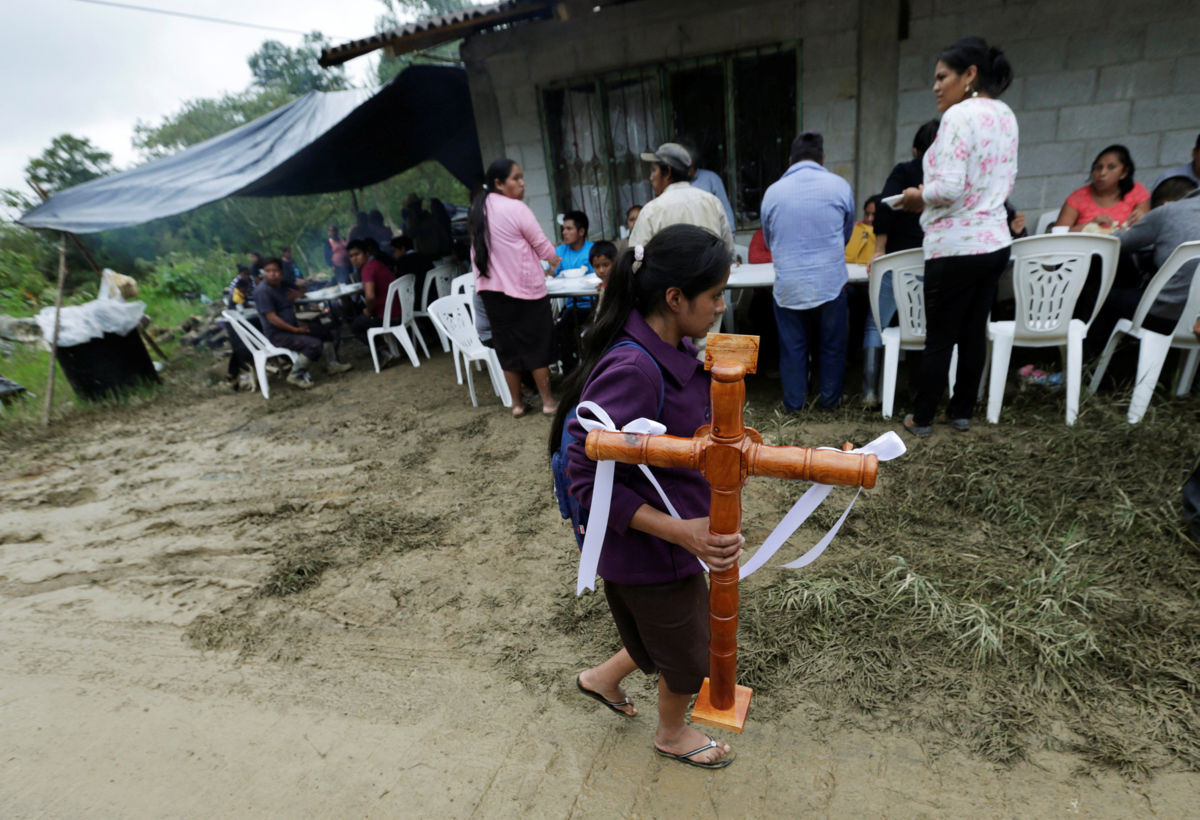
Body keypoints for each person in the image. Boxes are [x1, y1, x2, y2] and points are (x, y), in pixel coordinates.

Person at [551, 224, 741, 770]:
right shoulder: (635, 368)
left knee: (650, 634)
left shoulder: (674, 347)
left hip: (659, 539)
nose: (721, 307)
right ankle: (671, 733)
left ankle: (600, 680)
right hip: (648, 548)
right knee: (690, 653)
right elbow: (583, 479)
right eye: (714, 296)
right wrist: (683, 531)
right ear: (675, 298)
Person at [899, 35, 1018, 436]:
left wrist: (916, 196)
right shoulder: (1005, 115)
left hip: (955, 246)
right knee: (972, 331)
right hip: (995, 242)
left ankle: (923, 417)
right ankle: (962, 411)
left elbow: (948, 188)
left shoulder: (958, 117)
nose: (935, 86)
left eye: (942, 76)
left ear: (970, 75)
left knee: (940, 338)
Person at [761, 131, 855, 411]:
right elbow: (846, 234)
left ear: (790, 160)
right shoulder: (840, 186)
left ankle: (794, 405)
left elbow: (769, 240)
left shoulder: (773, 192)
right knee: (832, 347)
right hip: (830, 284)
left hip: (789, 286)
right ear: (822, 159)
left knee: (793, 349)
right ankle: (829, 401)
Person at [469, 158, 563, 417]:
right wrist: (554, 259)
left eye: (522, 177)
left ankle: (517, 405)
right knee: (537, 346)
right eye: (516, 178)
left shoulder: (479, 209)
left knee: (507, 349)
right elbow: (541, 244)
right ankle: (547, 401)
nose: (522, 183)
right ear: (499, 183)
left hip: (491, 291)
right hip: (523, 290)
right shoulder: (516, 208)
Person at [1088, 177, 1200, 359]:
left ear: (1165, 203)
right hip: (1196, 318)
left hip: (1167, 315)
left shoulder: (1169, 211)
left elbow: (1114, 245)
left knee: (1100, 299)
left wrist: (1138, 226)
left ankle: (1088, 371)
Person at [251, 258, 352, 389]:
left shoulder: (283, 284)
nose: (272, 274)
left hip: (292, 328)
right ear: (264, 273)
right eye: (268, 271)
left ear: (281, 272)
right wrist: (295, 330)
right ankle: (295, 375)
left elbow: (304, 289)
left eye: (275, 271)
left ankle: (332, 365)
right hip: (278, 334)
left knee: (324, 332)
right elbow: (272, 318)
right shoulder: (262, 291)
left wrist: (298, 293)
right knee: (314, 344)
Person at [628, 143, 734, 253]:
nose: (651, 177)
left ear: (668, 172)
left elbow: (636, 259)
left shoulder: (650, 211)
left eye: (654, 170)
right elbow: (728, 252)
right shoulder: (712, 202)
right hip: (710, 270)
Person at [1053, 145, 1150, 232]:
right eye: (1098, 167)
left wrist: (1143, 219)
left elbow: (1146, 230)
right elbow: (1057, 236)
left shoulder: (1136, 191)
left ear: (1124, 172)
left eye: (1111, 167)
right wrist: (1089, 226)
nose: (1102, 173)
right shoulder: (1077, 198)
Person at [346, 239, 400, 355]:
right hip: (400, 311)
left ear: (367, 254)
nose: (354, 259)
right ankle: (385, 348)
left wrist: (368, 311)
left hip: (389, 316)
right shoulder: (377, 263)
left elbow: (370, 297)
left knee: (356, 326)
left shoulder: (368, 269)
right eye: (351, 256)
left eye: (357, 254)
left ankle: (382, 352)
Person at [679, 137, 737, 232]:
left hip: (710, 238)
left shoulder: (711, 179)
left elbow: (725, 212)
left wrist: (730, 236)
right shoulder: (671, 183)